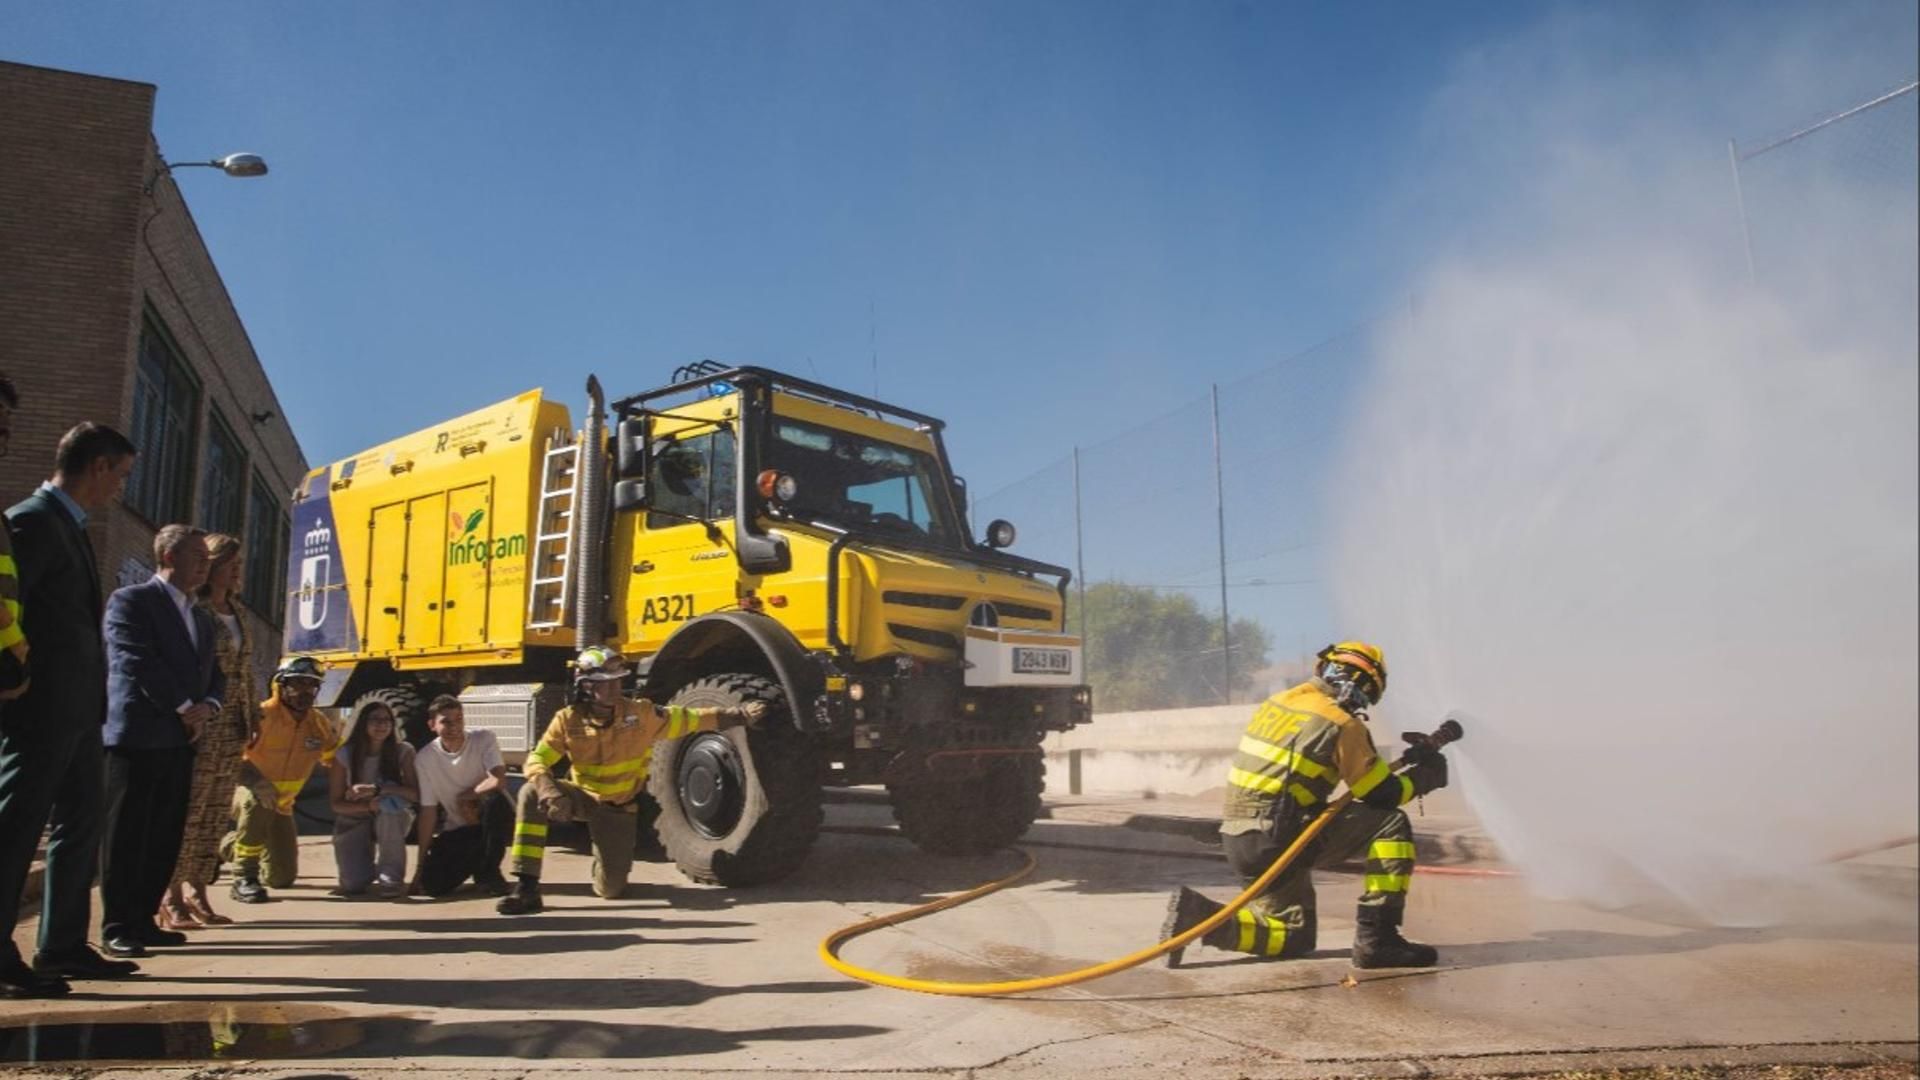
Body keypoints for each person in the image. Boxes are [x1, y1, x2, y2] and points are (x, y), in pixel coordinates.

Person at [1160, 641, 1450, 970]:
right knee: (1390, 822)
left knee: (1293, 936)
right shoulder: (1341, 723)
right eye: (1368, 695)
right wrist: (1427, 777)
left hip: (1241, 838)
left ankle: (1199, 918)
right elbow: (1380, 794)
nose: (1363, 705)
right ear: (1358, 684)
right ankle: (1378, 938)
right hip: (1280, 838)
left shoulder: (1279, 703)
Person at [0, 422, 139, 995]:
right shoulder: (30, 521)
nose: (120, 491)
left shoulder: (72, 526)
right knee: (15, 828)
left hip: (81, 712)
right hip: (40, 709)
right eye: (121, 476)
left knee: (80, 824)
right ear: (98, 467)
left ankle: (60, 946)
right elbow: (11, 611)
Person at [497, 646, 768, 915]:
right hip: (582, 797)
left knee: (610, 890)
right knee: (530, 793)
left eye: (618, 681)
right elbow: (536, 760)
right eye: (606, 683)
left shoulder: (641, 714)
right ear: (587, 686)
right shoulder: (567, 720)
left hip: (618, 808)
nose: (615, 688)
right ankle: (527, 887)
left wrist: (739, 715)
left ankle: (604, 862)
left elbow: (689, 719)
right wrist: (550, 792)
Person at [99, 525, 225, 959]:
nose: (204, 563)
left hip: (181, 739)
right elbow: (134, 659)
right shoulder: (132, 601)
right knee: (128, 832)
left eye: (207, 557)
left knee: (164, 834)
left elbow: (217, 675)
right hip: (139, 735)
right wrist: (184, 705)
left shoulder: (201, 618)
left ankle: (144, 920)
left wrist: (208, 705)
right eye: (196, 555)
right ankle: (117, 925)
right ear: (169, 556)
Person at [161, 533, 259, 928]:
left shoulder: (239, 612)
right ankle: (170, 896)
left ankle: (199, 890)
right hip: (203, 722)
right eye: (231, 564)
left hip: (234, 724)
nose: (238, 572)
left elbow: (246, 671)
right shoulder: (194, 609)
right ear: (214, 566)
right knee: (190, 809)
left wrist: (254, 716)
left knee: (217, 812)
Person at [226, 656, 336, 902]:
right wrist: (256, 782)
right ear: (281, 685)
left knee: (281, 878)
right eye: (297, 683)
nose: (305, 691)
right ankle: (244, 877)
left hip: (283, 806)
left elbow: (335, 758)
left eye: (311, 685)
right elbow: (230, 756)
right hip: (243, 791)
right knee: (258, 799)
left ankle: (221, 845)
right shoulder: (261, 716)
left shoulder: (319, 724)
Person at [410, 695, 512, 898]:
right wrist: (419, 867)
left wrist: (469, 796)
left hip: (488, 822)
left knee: (495, 801)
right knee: (432, 887)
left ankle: (489, 873)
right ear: (432, 725)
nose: (454, 726)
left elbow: (498, 779)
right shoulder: (424, 758)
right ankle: (476, 866)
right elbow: (428, 811)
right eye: (446, 721)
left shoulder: (484, 738)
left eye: (458, 719)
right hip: (460, 830)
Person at [329, 698, 418, 897]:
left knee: (390, 810)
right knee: (353, 884)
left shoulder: (404, 751)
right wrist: (368, 806)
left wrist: (378, 790)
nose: (382, 725)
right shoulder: (344, 754)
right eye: (375, 719)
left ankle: (390, 876)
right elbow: (336, 804)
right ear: (362, 723)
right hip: (356, 815)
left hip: (391, 814)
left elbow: (415, 794)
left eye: (387, 720)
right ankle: (362, 869)